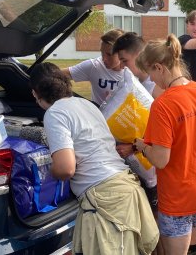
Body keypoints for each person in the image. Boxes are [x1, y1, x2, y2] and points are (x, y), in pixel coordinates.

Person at [30, 62, 159, 255]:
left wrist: (48, 172)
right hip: (125, 186)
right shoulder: (86, 104)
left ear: (35, 93)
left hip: (105, 199)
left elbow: (66, 168)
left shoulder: (54, 113)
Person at [134, 34, 196, 255]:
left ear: (159, 67)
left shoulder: (163, 105)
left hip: (179, 196)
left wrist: (143, 146)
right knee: (195, 249)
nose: (152, 81)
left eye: (150, 74)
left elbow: (161, 160)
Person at [61, 29, 125, 106]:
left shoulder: (134, 71)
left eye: (109, 54)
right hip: (97, 116)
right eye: (102, 53)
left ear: (122, 54)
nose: (103, 58)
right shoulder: (94, 66)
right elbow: (57, 74)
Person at [113, 32, 163, 99]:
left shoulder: (157, 87)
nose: (121, 66)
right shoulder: (136, 83)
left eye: (124, 61)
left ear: (139, 55)